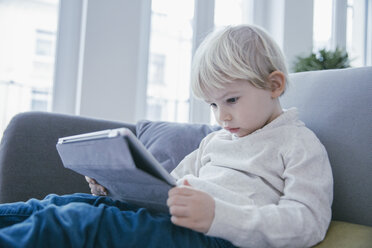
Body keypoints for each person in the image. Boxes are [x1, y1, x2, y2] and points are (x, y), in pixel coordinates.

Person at [0, 24, 333, 248]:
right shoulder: (215, 142)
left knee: (82, 221)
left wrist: (219, 216)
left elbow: (308, 221)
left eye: (231, 100)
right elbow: (165, 186)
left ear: (274, 85)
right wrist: (117, 185)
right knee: (64, 203)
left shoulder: (298, 144)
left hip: (217, 237)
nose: (222, 116)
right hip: (176, 221)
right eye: (213, 104)